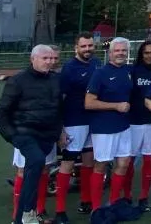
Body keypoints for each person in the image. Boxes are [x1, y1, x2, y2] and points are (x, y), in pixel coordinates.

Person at [0, 45, 66, 224]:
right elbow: (0, 114)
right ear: (33, 59)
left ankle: (22, 218)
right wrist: (13, 136)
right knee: (35, 161)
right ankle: (28, 212)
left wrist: (59, 132)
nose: (50, 62)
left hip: (47, 136)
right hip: (25, 133)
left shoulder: (56, 80)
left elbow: (58, 109)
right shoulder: (18, 81)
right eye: (45, 58)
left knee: (36, 171)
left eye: (52, 58)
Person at [84, 37, 134, 208]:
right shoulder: (100, 73)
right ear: (110, 53)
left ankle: (112, 204)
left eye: (123, 50)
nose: (120, 53)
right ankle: (96, 208)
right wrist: (116, 106)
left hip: (124, 126)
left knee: (124, 163)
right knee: (101, 165)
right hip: (104, 128)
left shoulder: (128, 71)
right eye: (117, 50)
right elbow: (89, 103)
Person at [54, 33, 98, 222]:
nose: (87, 49)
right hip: (74, 121)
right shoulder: (69, 68)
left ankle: (86, 201)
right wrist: (61, 127)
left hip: (94, 120)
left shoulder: (97, 64)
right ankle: (60, 210)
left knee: (89, 161)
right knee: (68, 163)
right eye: (83, 46)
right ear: (76, 48)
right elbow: (60, 99)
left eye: (90, 46)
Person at [126, 40, 151, 210]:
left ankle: (143, 197)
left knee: (148, 160)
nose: (149, 55)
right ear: (142, 54)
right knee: (128, 160)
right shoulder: (133, 71)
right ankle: (126, 196)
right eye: (146, 52)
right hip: (133, 122)